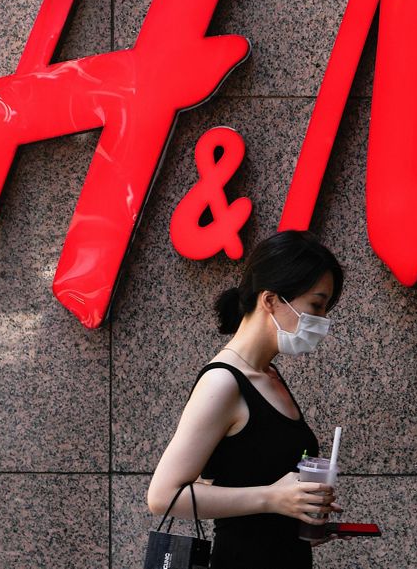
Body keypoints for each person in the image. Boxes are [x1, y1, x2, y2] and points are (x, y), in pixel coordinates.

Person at [147, 230, 345, 568]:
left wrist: (300, 511)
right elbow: (163, 496)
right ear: (270, 300)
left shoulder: (268, 374)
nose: (322, 321)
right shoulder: (223, 382)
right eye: (316, 304)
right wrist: (273, 498)